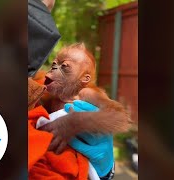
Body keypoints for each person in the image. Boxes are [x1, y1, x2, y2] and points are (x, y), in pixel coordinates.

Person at [28, 0, 115, 179]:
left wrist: (107, 170)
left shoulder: (88, 93)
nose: (54, 70)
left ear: (84, 78)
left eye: (64, 67)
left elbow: (117, 117)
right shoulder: (39, 82)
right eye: (54, 64)